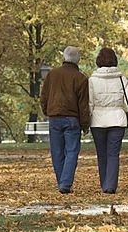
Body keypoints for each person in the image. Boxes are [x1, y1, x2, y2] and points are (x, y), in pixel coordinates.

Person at [88, 47, 128, 194]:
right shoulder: (121, 79)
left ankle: (104, 183)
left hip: (97, 121)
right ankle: (110, 185)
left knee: (101, 153)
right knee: (113, 154)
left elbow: (89, 103)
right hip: (117, 120)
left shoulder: (92, 81)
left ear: (98, 61)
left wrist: (87, 121)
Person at [39, 45, 90, 194]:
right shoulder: (80, 78)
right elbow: (83, 105)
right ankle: (65, 183)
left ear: (64, 57)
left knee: (57, 152)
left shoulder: (52, 75)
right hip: (72, 118)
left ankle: (62, 181)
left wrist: (48, 111)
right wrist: (85, 124)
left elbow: (44, 97)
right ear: (78, 60)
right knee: (72, 151)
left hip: (55, 117)